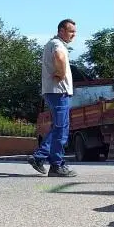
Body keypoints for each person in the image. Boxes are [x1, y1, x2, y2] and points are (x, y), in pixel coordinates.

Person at [28, 19, 78, 178]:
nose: (73, 35)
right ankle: (56, 165)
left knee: (58, 127)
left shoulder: (52, 43)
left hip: (54, 91)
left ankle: (40, 157)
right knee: (61, 129)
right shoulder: (58, 44)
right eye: (71, 31)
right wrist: (61, 73)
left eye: (74, 32)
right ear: (61, 30)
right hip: (58, 92)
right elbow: (60, 57)